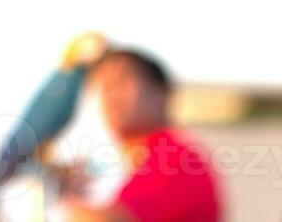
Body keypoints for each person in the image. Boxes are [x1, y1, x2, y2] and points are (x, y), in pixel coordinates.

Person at [60, 48, 220, 222]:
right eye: (104, 85)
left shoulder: (174, 157)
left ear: (161, 92)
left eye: (122, 81)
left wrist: (64, 192)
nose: (111, 93)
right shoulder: (128, 159)